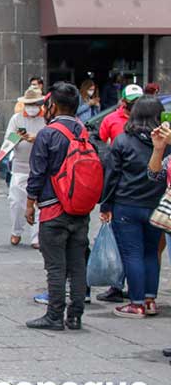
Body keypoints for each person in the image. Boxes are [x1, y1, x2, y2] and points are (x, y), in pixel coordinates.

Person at [25, 82, 91, 330]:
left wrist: (30, 204)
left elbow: (37, 173)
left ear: (52, 105)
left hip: (54, 207)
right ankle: (75, 315)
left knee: (55, 266)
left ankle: (54, 315)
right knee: (77, 264)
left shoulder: (48, 134)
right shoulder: (83, 131)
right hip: (80, 208)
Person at [101, 96, 168, 318]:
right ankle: (149, 300)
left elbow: (112, 176)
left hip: (127, 204)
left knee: (132, 254)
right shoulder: (166, 143)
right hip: (156, 205)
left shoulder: (122, 141)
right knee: (151, 252)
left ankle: (136, 303)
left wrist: (106, 204)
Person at [4, 86, 46, 249]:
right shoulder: (16, 119)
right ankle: (16, 231)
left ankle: (37, 237)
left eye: (34, 104)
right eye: (29, 104)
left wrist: (37, 138)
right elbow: (7, 142)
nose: (32, 108)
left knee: (40, 203)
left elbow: (50, 139)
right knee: (16, 201)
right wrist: (18, 138)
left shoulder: (46, 119)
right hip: (20, 166)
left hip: (40, 166)